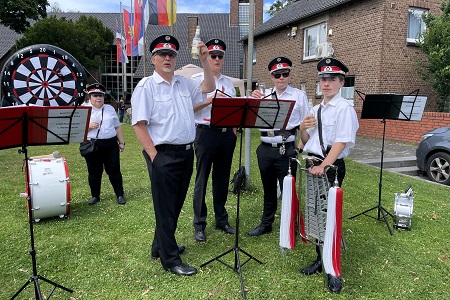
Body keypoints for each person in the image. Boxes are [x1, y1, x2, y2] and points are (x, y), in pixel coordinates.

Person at [131, 35, 215, 276]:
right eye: (162, 54)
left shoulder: (183, 83)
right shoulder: (146, 86)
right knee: (165, 207)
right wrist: (154, 155)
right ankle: (171, 260)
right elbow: (139, 124)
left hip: (186, 153)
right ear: (154, 59)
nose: (167, 58)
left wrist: (205, 60)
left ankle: (159, 246)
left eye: (171, 55)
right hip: (163, 154)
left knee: (175, 205)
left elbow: (208, 87)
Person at [298, 57, 359, 293]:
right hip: (313, 164)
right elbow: (306, 142)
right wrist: (302, 128)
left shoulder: (344, 109)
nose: (326, 84)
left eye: (331, 79)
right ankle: (320, 258)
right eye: (323, 79)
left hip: (330, 168)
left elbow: (341, 142)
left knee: (329, 216)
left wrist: (323, 166)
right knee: (314, 214)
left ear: (341, 82)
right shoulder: (316, 109)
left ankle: (333, 268)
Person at [248, 56, 309, 237]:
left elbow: (306, 125)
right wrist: (252, 99)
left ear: (290, 75)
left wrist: (299, 147)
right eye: (277, 75)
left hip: (286, 147)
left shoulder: (299, 96)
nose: (281, 78)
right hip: (265, 147)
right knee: (268, 188)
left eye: (285, 74)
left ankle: (293, 225)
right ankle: (266, 223)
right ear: (271, 77)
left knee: (288, 188)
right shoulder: (264, 95)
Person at [190, 38, 237, 243]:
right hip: (205, 132)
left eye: (220, 56)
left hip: (226, 134)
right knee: (201, 179)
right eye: (212, 55)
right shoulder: (196, 79)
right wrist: (208, 101)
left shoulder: (228, 83)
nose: (216, 59)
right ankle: (199, 224)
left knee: (221, 179)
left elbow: (236, 109)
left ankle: (221, 219)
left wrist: (234, 131)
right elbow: (187, 108)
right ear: (206, 57)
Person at [83, 83, 126, 206]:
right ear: (90, 97)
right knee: (94, 172)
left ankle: (120, 195)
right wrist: (88, 126)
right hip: (92, 144)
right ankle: (95, 196)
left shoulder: (110, 109)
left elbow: (117, 127)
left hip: (110, 144)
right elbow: (76, 128)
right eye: (95, 95)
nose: (98, 98)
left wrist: (121, 142)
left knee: (114, 170)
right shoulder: (84, 109)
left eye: (101, 95)